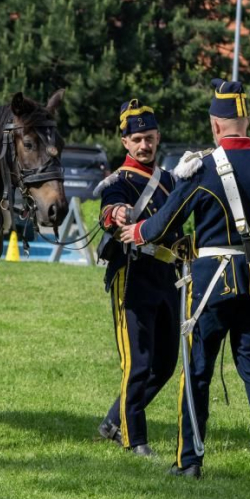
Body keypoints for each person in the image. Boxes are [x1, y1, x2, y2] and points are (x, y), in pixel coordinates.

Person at [119, 79, 250, 482]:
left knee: (198, 372)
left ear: (215, 125)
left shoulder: (200, 167)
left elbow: (162, 225)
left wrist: (136, 232)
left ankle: (189, 461)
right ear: (245, 120)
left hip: (209, 285)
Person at [94, 99, 182, 456]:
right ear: (125, 142)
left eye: (149, 138)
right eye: (137, 139)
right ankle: (135, 438)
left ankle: (114, 420)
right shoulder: (119, 181)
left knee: (164, 363)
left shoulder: (171, 181)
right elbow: (108, 210)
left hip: (167, 276)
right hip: (133, 276)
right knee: (138, 361)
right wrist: (116, 213)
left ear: (158, 137)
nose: (144, 145)